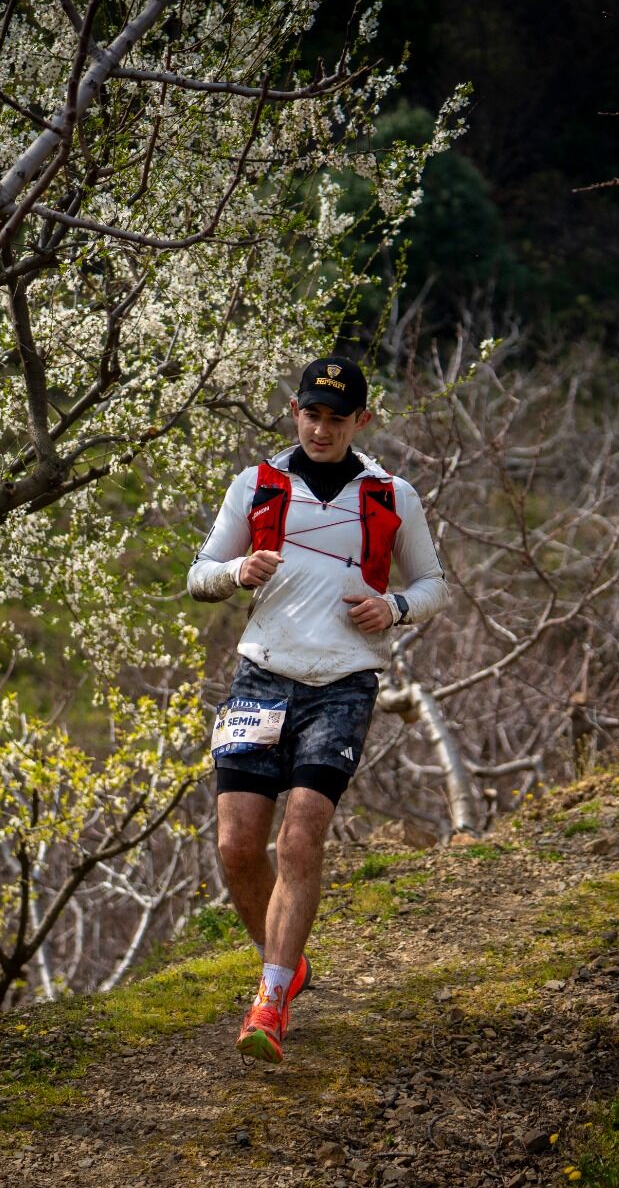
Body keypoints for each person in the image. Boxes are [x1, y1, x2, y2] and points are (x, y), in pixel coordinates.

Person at [188, 354, 449, 1063]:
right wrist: (237, 571)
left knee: (301, 836)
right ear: (295, 410)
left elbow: (433, 586)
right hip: (261, 676)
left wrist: (393, 607)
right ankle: (288, 959)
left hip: (344, 682)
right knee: (237, 848)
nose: (321, 427)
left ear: (361, 420)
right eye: (312, 413)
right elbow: (199, 573)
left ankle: (270, 1002)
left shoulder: (394, 494)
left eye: (337, 417)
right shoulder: (257, 484)